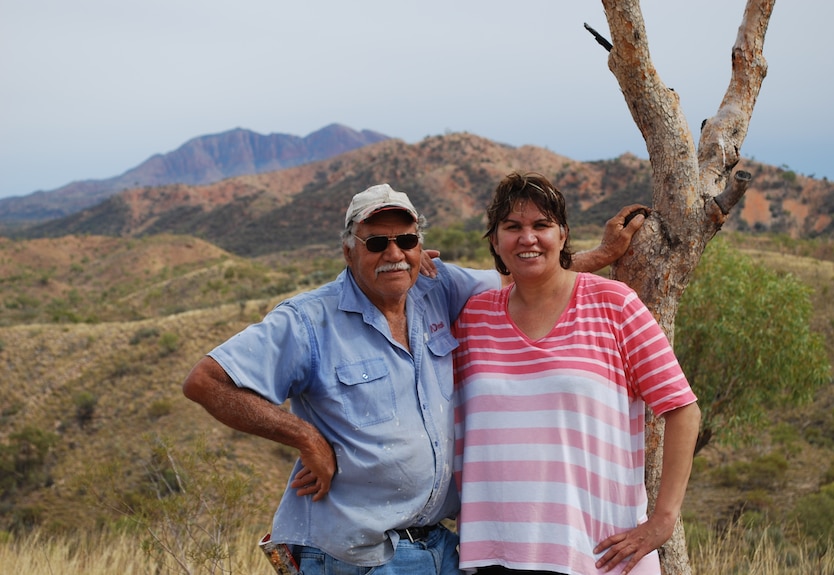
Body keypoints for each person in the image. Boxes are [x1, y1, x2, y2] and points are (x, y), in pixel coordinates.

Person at [182, 182, 647, 575]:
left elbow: (529, 275)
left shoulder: (439, 290)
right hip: (355, 553)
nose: (393, 253)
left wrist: (603, 254)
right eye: (376, 242)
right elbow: (205, 381)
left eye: (405, 241)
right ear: (348, 249)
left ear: (419, 246)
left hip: (437, 549)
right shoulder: (308, 321)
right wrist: (305, 436)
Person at [452, 172, 701, 575]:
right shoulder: (473, 319)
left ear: (563, 235)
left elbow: (682, 409)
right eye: (512, 227)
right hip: (496, 555)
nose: (527, 238)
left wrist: (662, 522)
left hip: (598, 554)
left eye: (541, 225)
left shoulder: (613, 304)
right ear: (495, 242)